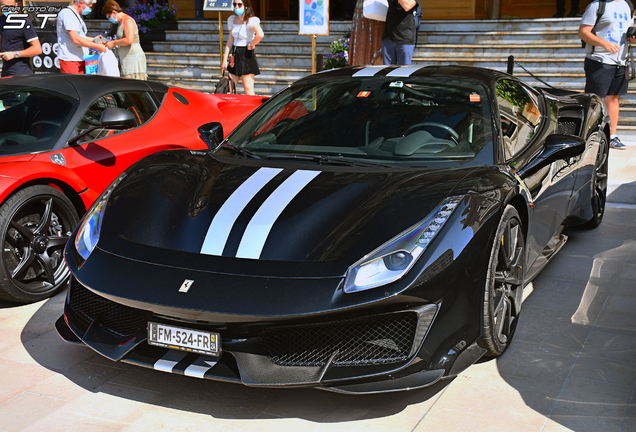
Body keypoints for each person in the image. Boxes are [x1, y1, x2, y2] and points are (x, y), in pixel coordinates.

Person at [579, 0, 635, 149]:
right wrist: (603, 43)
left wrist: (632, 37)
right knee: (595, 100)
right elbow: (583, 32)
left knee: (614, 99)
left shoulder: (628, 5)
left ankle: (612, 136)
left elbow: (629, 29)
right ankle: (588, 135)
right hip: (599, 60)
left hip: (621, 61)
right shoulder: (597, 5)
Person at [222, 0, 263, 95]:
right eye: (234, 4)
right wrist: (225, 59)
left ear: (246, 5)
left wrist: (251, 44)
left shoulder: (251, 20)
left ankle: (254, 109)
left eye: (239, 4)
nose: (236, 7)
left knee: (248, 89)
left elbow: (260, 34)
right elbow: (230, 41)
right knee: (229, 88)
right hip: (235, 54)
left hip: (246, 54)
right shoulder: (232, 19)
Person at [56, 0, 106, 74]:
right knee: (73, 84)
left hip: (80, 58)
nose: (90, 10)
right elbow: (76, 39)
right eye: (89, 6)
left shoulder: (77, 14)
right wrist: (97, 46)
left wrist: (93, 39)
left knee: (81, 84)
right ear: (81, 3)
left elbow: (80, 36)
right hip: (70, 59)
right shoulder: (67, 14)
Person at [102, 0, 147, 80]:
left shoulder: (128, 21)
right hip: (126, 60)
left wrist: (114, 43)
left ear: (114, 12)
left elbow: (129, 40)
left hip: (133, 60)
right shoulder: (121, 22)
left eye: (109, 16)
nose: (109, 19)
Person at [0, 0, 42, 76]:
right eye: (3, 6)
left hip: (20, 72)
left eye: (9, 6)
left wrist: (15, 54)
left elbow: (37, 49)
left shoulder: (24, 22)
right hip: (5, 70)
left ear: (16, 5)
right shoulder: (2, 20)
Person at [381, 0, 418, 65]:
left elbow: (407, 6)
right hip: (388, 38)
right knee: (387, 72)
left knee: (403, 72)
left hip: (405, 40)